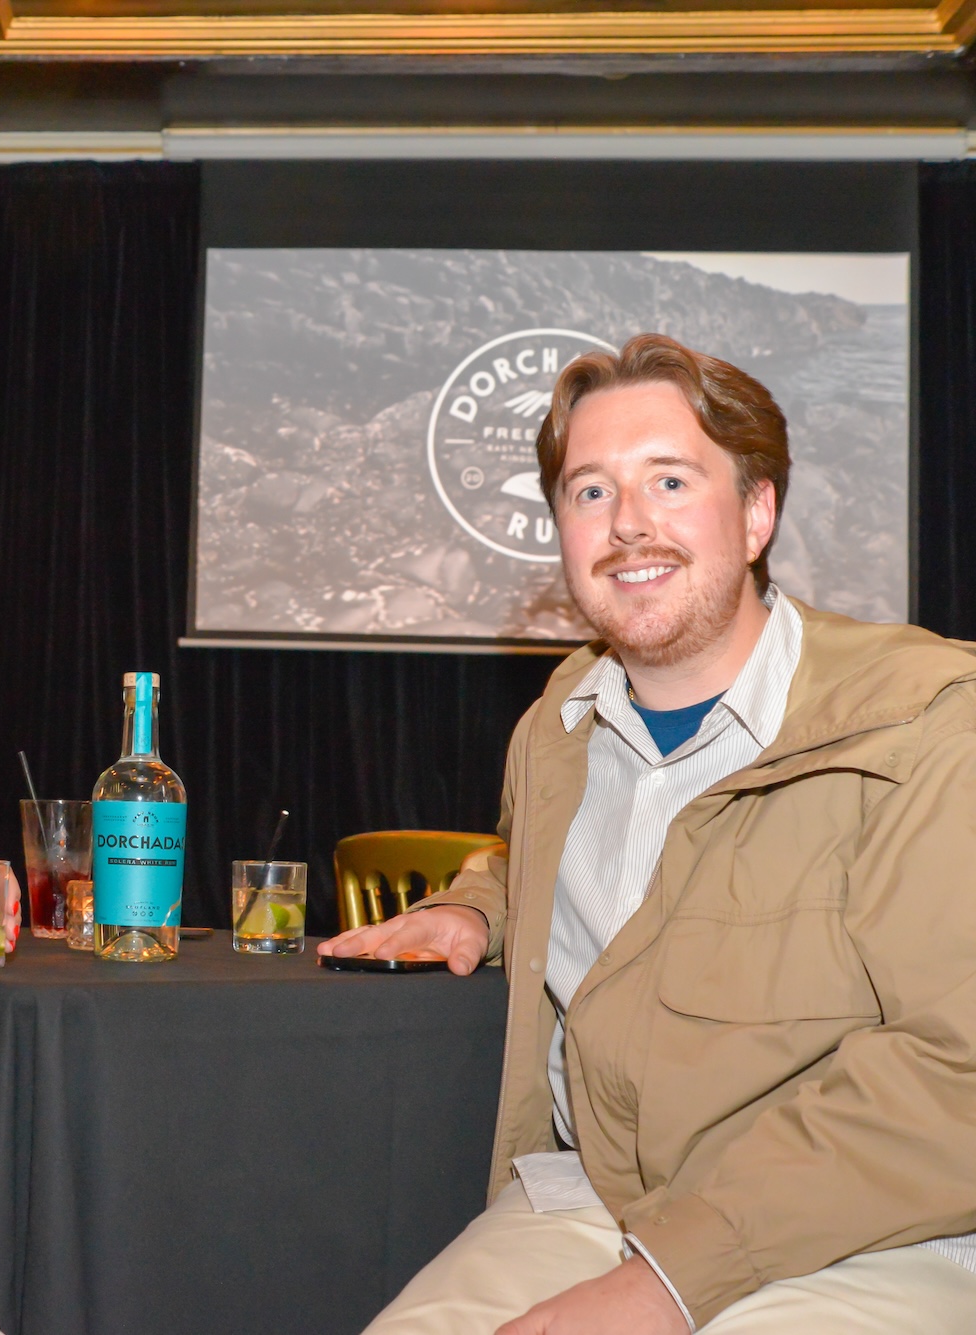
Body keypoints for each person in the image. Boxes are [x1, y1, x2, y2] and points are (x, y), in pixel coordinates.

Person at [322, 334, 976, 1333]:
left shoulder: (925, 721)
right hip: (593, 1198)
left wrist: (668, 1279)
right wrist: (477, 905)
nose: (627, 522)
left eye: (669, 481)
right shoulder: (557, 724)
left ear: (755, 514)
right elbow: (571, 865)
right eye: (590, 491)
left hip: (865, 1229)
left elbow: (955, 1068)